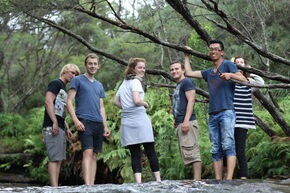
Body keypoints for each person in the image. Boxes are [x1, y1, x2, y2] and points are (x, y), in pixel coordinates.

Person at [183, 40, 248, 180]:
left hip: (227, 112)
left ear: (221, 52)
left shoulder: (228, 64)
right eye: (211, 49)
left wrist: (230, 75)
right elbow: (188, 73)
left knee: (228, 144)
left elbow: (244, 79)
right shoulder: (209, 72)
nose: (212, 51)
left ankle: (229, 179)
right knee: (215, 148)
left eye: (216, 49)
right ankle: (218, 180)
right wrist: (187, 56)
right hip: (213, 114)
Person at [114, 58, 161, 183]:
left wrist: (126, 107)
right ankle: (158, 180)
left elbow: (116, 101)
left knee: (135, 153)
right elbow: (136, 100)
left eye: (144, 68)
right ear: (133, 68)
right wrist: (145, 104)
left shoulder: (124, 83)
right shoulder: (135, 81)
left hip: (127, 121)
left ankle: (138, 183)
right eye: (140, 67)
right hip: (140, 119)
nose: (143, 70)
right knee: (150, 150)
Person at [67, 53, 111, 185]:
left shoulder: (99, 85)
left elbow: (101, 107)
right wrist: (76, 120)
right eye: (90, 63)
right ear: (85, 65)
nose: (92, 66)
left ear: (98, 66)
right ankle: (87, 185)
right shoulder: (77, 80)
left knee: (94, 154)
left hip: (98, 122)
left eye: (95, 64)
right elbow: (69, 101)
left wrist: (105, 125)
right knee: (87, 151)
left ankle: (92, 185)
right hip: (84, 120)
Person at [42, 63, 80, 186]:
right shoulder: (55, 83)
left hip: (60, 126)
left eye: (76, 74)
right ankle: (54, 188)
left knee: (58, 159)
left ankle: (56, 186)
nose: (74, 76)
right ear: (65, 71)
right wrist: (54, 122)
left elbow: (60, 110)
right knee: (54, 158)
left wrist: (67, 127)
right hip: (51, 125)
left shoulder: (63, 88)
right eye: (72, 73)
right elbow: (48, 102)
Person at [232, 56, 264, 179]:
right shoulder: (231, 82)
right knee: (228, 148)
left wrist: (250, 71)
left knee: (240, 149)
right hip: (230, 120)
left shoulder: (248, 83)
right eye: (237, 63)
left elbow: (261, 83)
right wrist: (230, 66)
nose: (239, 65)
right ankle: (230, 174)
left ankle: (243, 176)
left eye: (242, 63)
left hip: (243, 121)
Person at [170, 61, 202, 180]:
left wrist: (186, 121)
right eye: (172, 69)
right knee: (188, 152)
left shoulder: (187, 82)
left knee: (193, 152)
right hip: (181, 121)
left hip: (188, 122)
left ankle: (197, 181)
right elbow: (179, 104)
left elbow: (191, 100)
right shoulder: (179, 85)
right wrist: (177, 120)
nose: (174, 71)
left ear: (183, 70)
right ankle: (195, 181)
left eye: (177, 68)